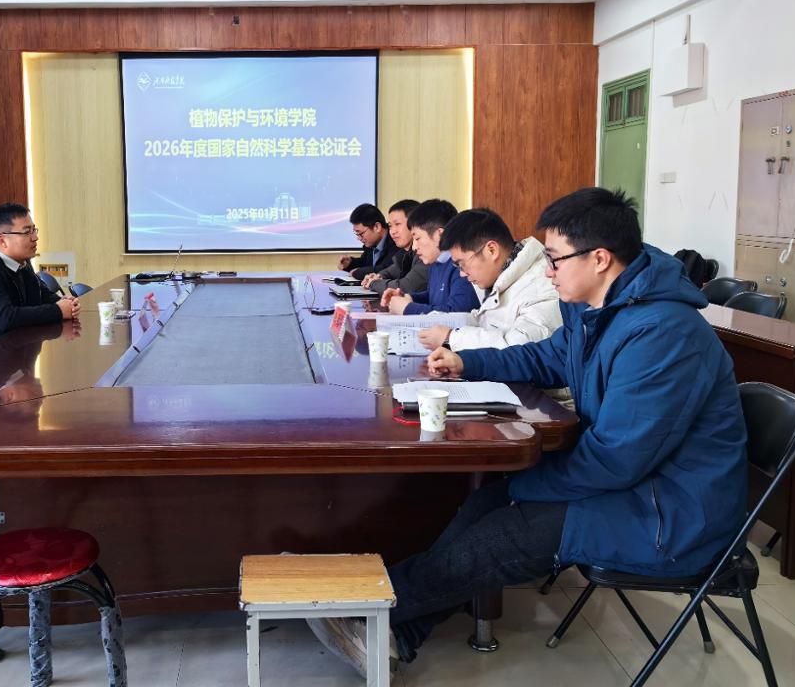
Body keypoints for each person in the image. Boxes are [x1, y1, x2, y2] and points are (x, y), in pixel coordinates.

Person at [308, 188, 747, 678]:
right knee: (485, 500)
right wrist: (466, 361)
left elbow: (617, 460)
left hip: (672, 513)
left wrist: (526, 483)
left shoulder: (663, 333)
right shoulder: (596, 308)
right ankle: (398, 630)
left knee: (505, 532)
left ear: (600, 259)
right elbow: (545, 357)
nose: (547, 271)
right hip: (634, 486)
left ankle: (368, 608)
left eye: (555, 259)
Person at [417, 207, 561, 351]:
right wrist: (440, 320)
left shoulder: (543, 284)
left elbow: (522, 349)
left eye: (462, 264)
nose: (462, 274)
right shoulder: (502, 276)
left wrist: (451, 338)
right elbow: (484, 321)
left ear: (491, 250)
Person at [0, 203, 80, 354]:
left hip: (9, 348)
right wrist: (57, 311)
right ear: (2, 241)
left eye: (34, 230)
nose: (35, 237)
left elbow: (41, 295)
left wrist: (64, 303)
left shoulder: (22, 262)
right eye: (27, 232)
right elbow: (5, 318)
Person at [380, 199, 479, 315]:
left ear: (440, 235)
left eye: (417, 238)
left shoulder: (461, 266)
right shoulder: (436, 263)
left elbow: (458, 313)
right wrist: (407, 297)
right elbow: (433, 297)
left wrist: (408, 308)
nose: (414, 247)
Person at [360, 199, 429, 296]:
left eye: (397, 224)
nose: (392, 231)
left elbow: (406, 287)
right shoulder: (405, 252)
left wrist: (373, 283)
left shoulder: (426, 252)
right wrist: (378, 276)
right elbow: (392, 270)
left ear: (414, 224)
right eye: (390, 226)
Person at [338, 203, 397, 278]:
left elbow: (388, 269)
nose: (359, 238)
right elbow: (365, 264)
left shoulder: (396, 240)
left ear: (377, 227)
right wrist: (350, 264)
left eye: (361, 233)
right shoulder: (371, 244)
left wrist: (358, 273)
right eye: (357, 234)